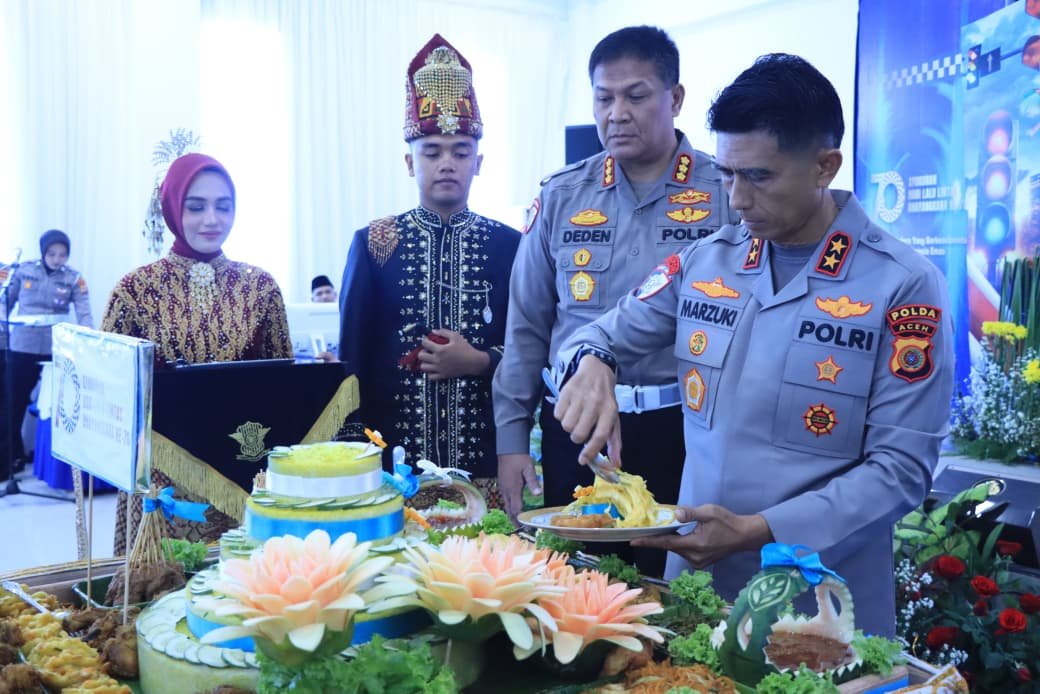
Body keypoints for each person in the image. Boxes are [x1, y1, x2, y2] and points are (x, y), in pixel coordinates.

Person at [552, 53, 953, 637]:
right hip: (696, 599)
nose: (737, 199)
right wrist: (595, 363)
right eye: (727, 174)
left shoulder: (901, 285)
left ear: (825, 166)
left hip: (817, 610)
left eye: (759, 177)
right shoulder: (706, 262)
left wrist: (760, 531)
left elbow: (901, 472)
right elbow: (595, 332)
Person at [492, 26, 736, 568]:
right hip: (576, 432)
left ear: (675, 98)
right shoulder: (562, 195)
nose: (617, 114)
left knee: (673, 589)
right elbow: (527, 327)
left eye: (636, 96)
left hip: (681, 431)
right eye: (604, 98)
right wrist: (511, 441)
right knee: (574, 584)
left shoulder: (725, 193)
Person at [338, 34, 520, 508]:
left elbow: (532, 351)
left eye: (461, 151)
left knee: (488, 559)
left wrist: (480, 361)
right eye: (432, 151)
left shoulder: (511, 246)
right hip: (392, 471)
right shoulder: (374, 243)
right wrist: (354, 465)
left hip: (486, 463)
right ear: (409, 162)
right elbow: (350, 368)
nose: (447, 164)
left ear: (479, 162)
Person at [102, 152, 293, 553]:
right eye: (196, 206)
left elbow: (283, 386)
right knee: (161, 580)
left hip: (241, 472)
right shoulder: (134, 291)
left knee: (241, 580)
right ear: (173, 208)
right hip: (161, 480)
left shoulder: (260, 288)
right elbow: (110, 392)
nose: (212, 219)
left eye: (223, 206)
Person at [0, 230, 93, 478]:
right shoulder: (23, 271)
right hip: (23, 346)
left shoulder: (74, 278)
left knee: (61, 404)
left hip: (57, 349)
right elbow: (4, 302)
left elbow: (84, 313)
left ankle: (58, 465)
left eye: (62, 254)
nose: (57, 259)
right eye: (52, 254)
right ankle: (9, 460)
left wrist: (89, 340)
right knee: (13, 404)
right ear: (43, 252)